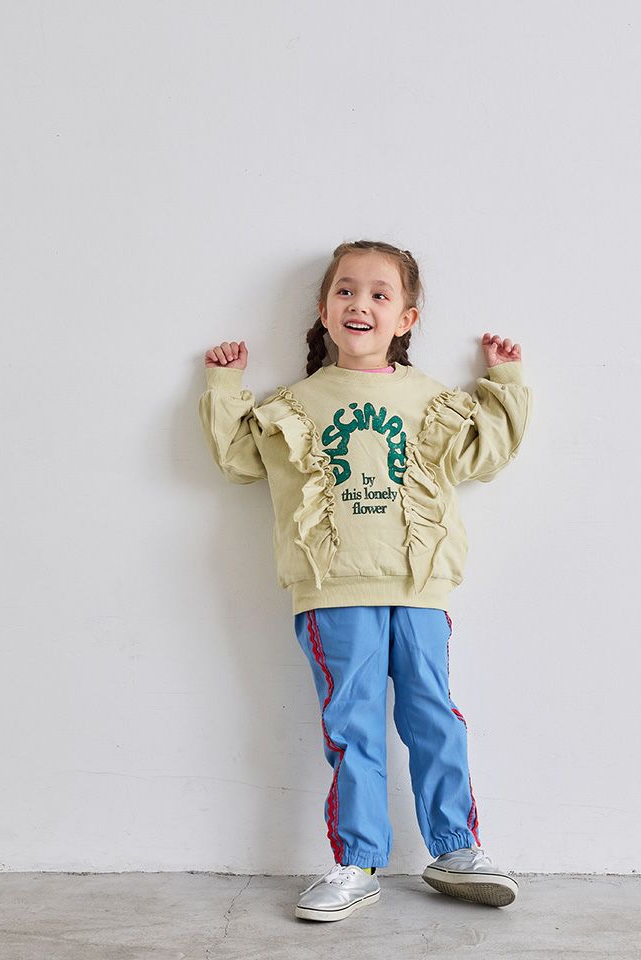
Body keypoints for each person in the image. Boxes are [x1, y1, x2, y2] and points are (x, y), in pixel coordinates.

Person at [198, 240, 532, 922]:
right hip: (333, 589)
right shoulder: (296, 403)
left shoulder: (431, 399)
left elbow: (484, 456)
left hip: (418, 586)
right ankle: (356, 861)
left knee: (433, 715)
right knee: (352, 727)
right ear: (325, 310)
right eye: (346, 291)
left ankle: (456, 849)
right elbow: (239, 459)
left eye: (380, 294)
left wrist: (504, 383)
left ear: (405, 319)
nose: (361, 304)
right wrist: (224, 388)